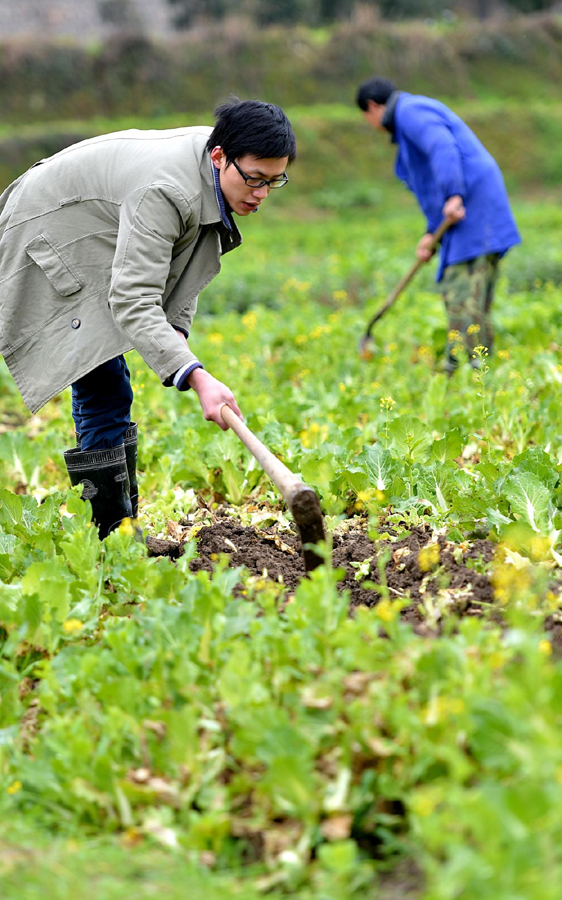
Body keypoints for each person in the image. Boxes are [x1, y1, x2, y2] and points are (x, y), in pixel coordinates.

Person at [0, 99, 296, 537]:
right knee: (104, 385)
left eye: (275, 182)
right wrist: (197, 377)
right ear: (220, 158)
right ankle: (115, 536)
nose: (260, 194)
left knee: (110, 389)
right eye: (254, 180)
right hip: (47, 234)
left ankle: (122, 532)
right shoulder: (166, 190)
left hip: (94, 231)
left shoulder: (215, 167)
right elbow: (134, 298)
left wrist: (175, 339)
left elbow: (187, 257)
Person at [356, 77, 521, 372]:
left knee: (462, 288)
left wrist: (454, 193)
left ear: (372, 107)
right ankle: (479, 367)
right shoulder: (409, 119)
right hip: (466, 211)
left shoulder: (411, 111)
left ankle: (463, 369)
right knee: (474, 294)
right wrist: (431, 234)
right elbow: (431, 188)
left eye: (366, 118)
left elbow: (442, 147)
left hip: (472, 207)